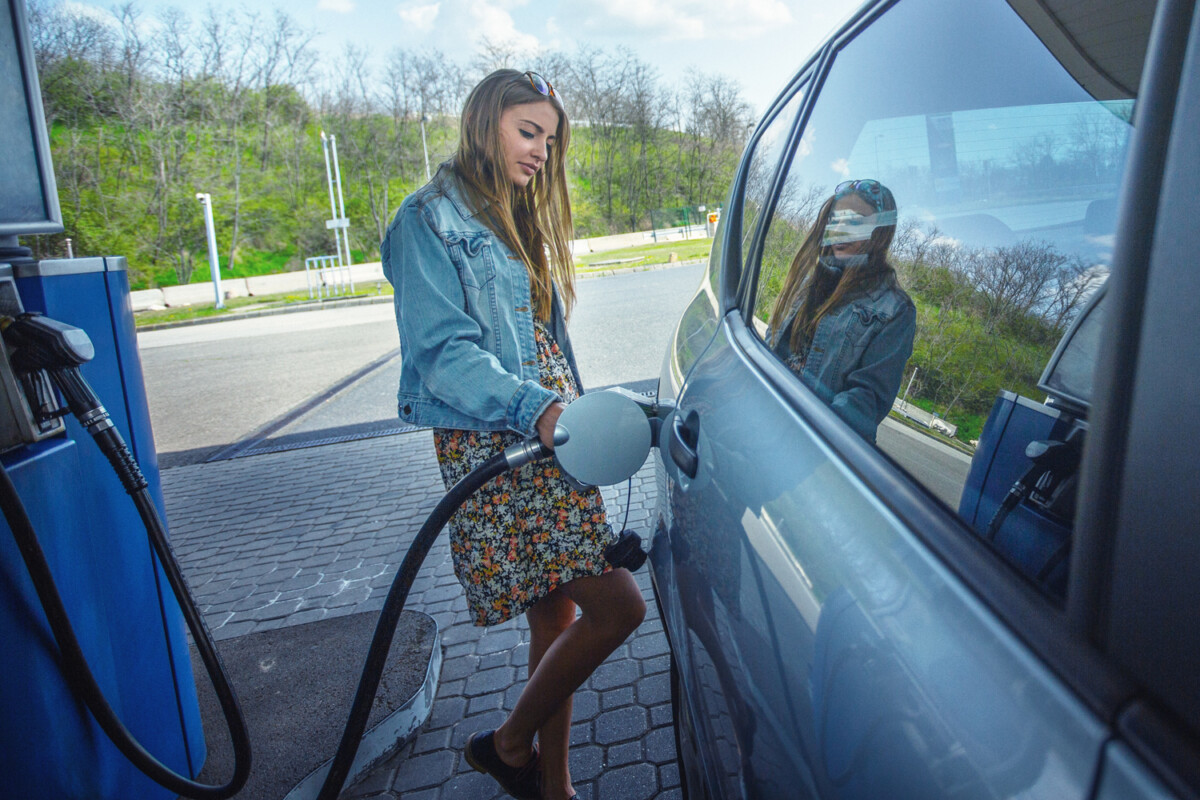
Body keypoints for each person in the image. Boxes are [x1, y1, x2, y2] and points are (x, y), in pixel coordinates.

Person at [380, 69, 646, 800]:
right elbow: (442, 354)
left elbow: (544, 340)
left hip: (548, 433)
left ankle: (551, 786)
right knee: (618, 607)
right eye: (528, 132)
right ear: (484, 122)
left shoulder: (514, 214)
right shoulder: (426, 220)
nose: (540, 152)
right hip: (501, 443)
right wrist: (543, 410)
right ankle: (506, 745)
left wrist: (580, 417)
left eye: (549, 140)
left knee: (559, 613)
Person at [766, 179, 916, 442]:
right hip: (768, 414)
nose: (840, 230)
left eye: (855, 222)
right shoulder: (813, 278)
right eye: (836, 220)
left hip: (813, 444)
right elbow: (774, 340)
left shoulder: (894, 310)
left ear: (879, 234)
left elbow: (864, 401)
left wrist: (807, 438)